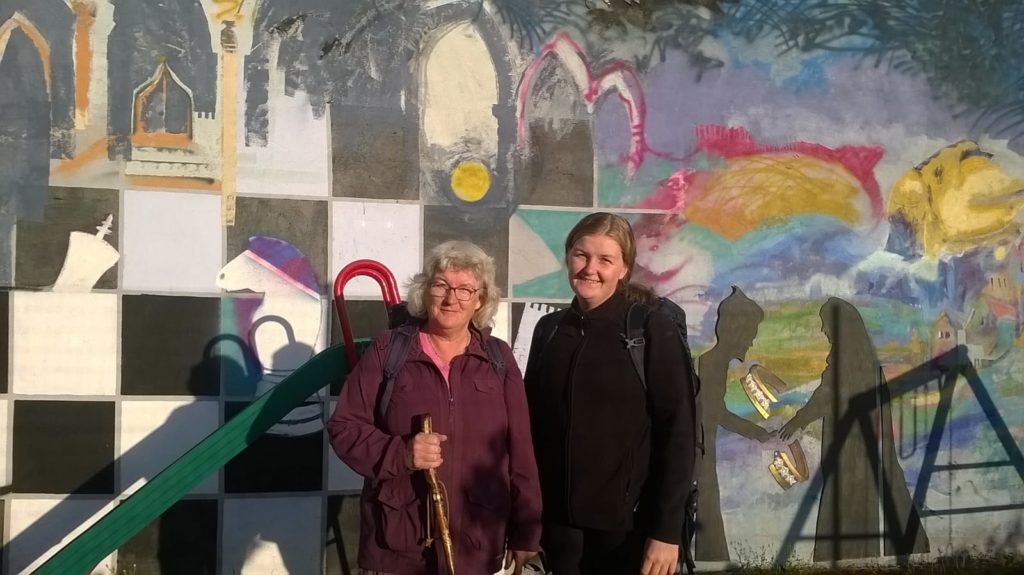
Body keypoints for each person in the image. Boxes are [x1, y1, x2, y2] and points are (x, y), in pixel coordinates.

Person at [328, 240, 542, 575]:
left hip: (477, 540)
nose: (451, 298)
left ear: (480, 299)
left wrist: (527, 529)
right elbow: (344, 427)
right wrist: (401, 453)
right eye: (441, 285)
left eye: (465, 289)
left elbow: (520, 449)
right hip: (398, 541)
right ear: (425, 291)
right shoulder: (389, 349)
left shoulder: (498, 358)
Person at [524, 212, 698, 575]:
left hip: (628, 531)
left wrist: (666, 531)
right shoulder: (549, 330)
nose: (590, 269)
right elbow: (531, 429)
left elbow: (679, 434)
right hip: (560, 530)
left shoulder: (649, 329)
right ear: (568, 257)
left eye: (605, 259)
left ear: (624, 269)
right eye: (581, 255)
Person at [778, 297, 929, 561]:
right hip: (863, 442)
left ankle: (847, 551)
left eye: (825, 324)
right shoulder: (862, 359)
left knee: (845, 494)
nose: (823, 330)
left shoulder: (845, 359)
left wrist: (798, 420)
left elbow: (826, 395)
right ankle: (872, 549)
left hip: (851, 445)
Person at [695, 286, 770, 562]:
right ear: (735, 330)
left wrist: (759, 433)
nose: (750, 342)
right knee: (705, 504)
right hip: (699, 453)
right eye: (750, 333)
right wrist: (758, 433)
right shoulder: (712, 364)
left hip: (703, 450)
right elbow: (717, 414)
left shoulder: (713, 362)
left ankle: (710, 557)